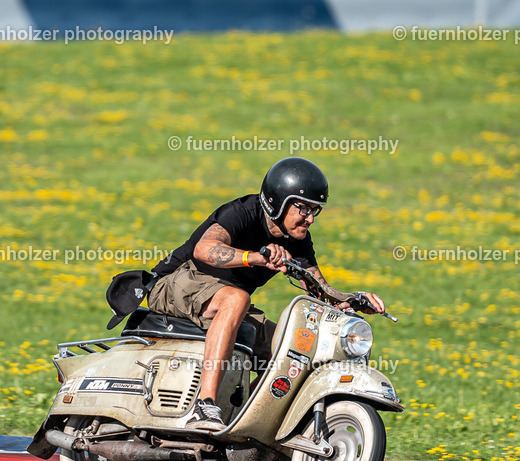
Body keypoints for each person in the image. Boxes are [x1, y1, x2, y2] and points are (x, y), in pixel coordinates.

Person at [147, 157, 386, 430]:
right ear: (278, 202)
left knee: (291, 347)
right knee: (237, 298)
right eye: (303, 208)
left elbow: (321, 291)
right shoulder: (242, 212)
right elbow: (204, 248)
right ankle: (204, 407)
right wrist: (256, 258)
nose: (310, 218)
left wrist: (353, 299)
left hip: (221, 298)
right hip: (174, 282)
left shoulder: (297, 240)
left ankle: (245, 423)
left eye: (315, 211)